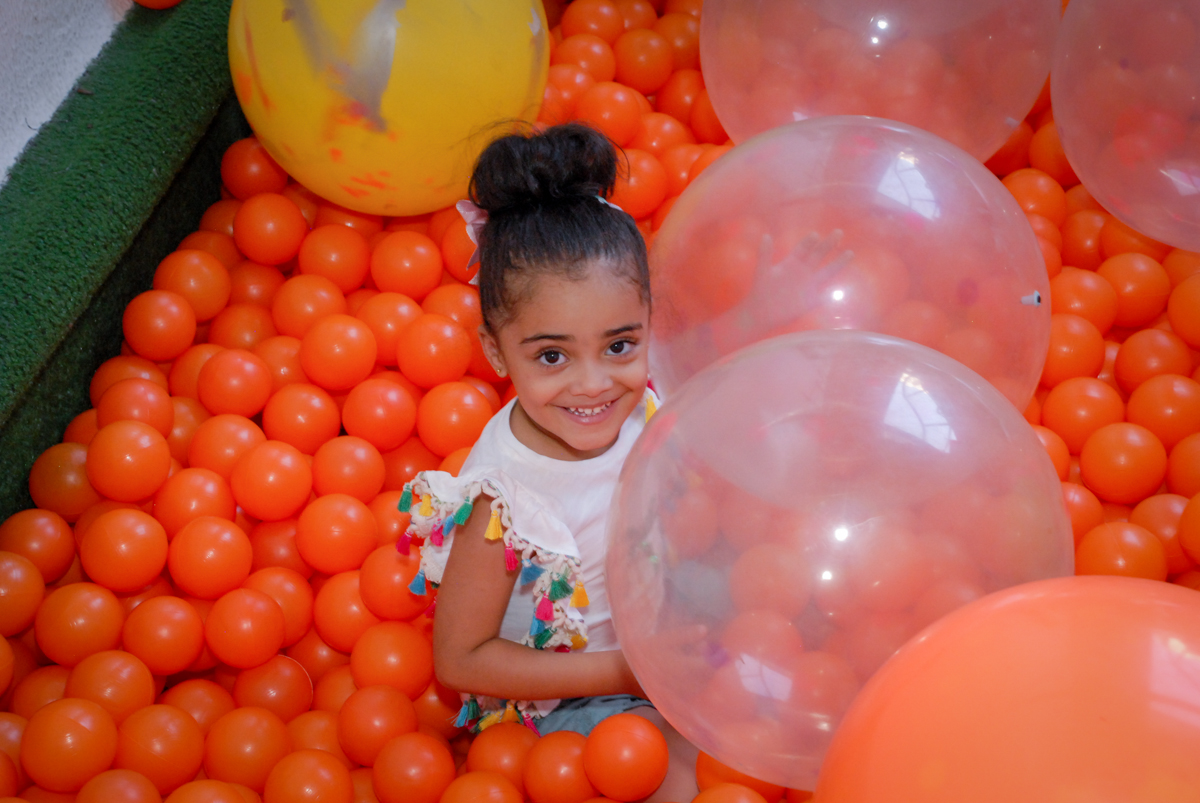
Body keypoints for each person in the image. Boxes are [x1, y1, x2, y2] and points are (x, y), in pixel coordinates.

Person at [399, 123, 698, 801]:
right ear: (498, 353)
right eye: (552, 356)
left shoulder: (643, 405)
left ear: (651, 323)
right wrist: (626, 671)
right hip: (565, 692)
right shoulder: (504, 499)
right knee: (676, 778)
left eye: (620, 345)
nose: (594, 384)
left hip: (650, 625)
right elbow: (461, 658)